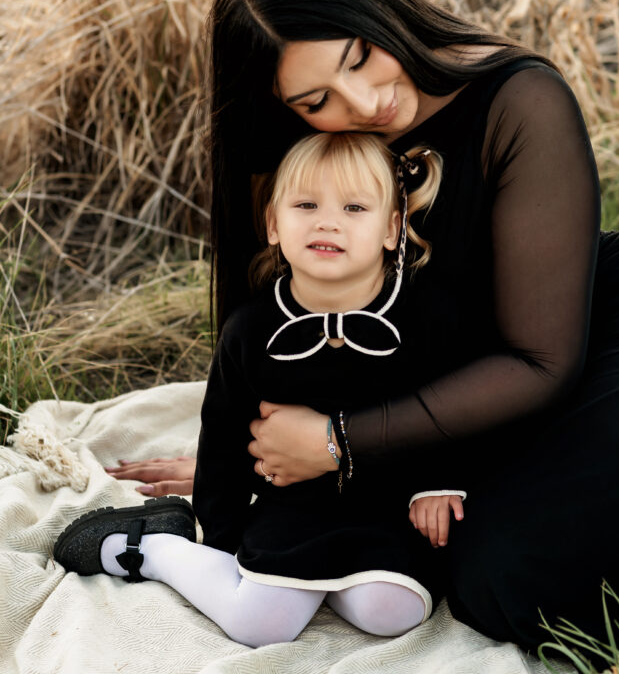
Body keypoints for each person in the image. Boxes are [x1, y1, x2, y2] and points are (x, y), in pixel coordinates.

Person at [110, 0, 619, 655]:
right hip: (452, 376)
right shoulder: (313, 157)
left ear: (378, 8)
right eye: (317, 100)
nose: (366, 102)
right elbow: (286, 320)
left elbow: (540, 359)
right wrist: (250, 461)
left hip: (587, 329)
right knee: (497, 571)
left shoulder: (519, 98)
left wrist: (337, 444)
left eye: (359, 56)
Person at [54, 132, 467, 647]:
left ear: (391, 229)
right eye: (306, 204)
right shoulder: (251, 330)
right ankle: (153, 548)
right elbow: (223, 437)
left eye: (354, 207)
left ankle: (317, 579)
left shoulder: (428, 317)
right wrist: (218, 540)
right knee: (261, 624)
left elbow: (455, 406)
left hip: (386, 505)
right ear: (274, 224)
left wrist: (439, 483)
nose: (327, 220)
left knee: (395, 611)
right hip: (292, 504)